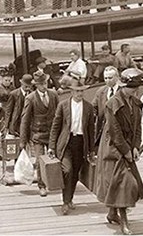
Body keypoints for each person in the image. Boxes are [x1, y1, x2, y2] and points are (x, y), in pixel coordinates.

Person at [95, 68, 143, 235]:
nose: (135, 91)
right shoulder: (112, 104)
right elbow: (115, 131)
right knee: (124, 184)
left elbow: (138, 128)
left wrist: (135, 147)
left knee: (117, 185)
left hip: (127, 147)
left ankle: (112, 213)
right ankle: (124, 221)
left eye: (136, 88)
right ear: (123, 86)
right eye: (132, 88)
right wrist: (126, 151)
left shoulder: (136, 103)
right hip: (113, 149)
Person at [48, 80, 94, 215]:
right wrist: (51, 146)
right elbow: (55, 127)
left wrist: (91, 150)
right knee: (67, 170)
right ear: (72, 91)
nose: (80, 93)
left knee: (75, 173)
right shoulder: (63, 105)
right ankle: (65, 201)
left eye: (81, 91)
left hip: (81, 143)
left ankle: (69, 199)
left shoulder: (89, 107)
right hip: (66, 143)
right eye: (77, 91)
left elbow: (91, 129)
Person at [20, 70, 59, 197]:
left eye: (45, 83)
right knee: (39, 160)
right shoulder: (30, 98)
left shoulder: (53, 95)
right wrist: (23, 140)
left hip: (52, 134)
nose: (44, 86)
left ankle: (54, 183)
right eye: (41, 84)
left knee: (54, 159)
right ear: (36, 85)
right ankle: (41, 185)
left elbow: (59, 115)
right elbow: (25, 120)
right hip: (37, 135)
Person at [92, 66, 120, 149]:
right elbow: (94, 108)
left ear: (117, 77)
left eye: (110, 78)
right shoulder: (100, 92)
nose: (107, 80)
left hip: (118, 130)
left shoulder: (122, 91)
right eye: (105, 78)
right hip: (103, 129)